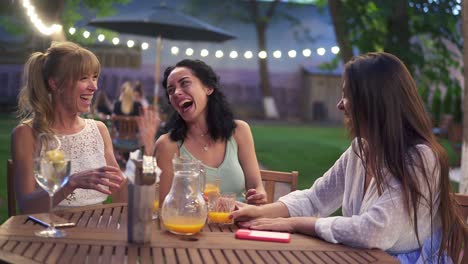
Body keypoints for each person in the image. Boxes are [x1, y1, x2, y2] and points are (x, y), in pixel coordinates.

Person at [230, 52, 467, 263]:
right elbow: (315, 199)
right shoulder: (360, 150)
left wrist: (294, 223)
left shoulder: (421, 158)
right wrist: (260, 212)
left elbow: (374, 231)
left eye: (346, 95)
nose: (339, 105)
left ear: (373, 101)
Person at [11, 41, 126, 214]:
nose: (94, 87)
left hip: (98, 230)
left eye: (94, 77)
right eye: (84, 78)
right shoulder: (27, 134)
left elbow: (120, 196)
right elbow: (27, 206)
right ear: (55, 84)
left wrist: (144, 178)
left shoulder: (99, 130)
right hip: (49, 232)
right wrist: (69, 183)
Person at [154, 59, 267, 205]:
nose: (176, 93)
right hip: (192, 225)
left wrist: (259, 194)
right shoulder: (167, 145)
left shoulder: (239, 131)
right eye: (171, 90)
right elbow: (166, 206)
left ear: (208, 87)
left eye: (184, 83)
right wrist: (195, 203)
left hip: (240, 221)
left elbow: (256, 186)